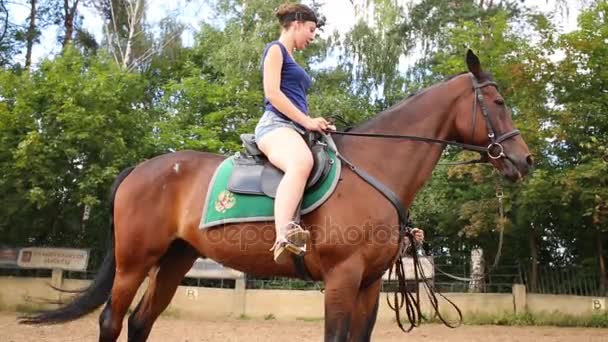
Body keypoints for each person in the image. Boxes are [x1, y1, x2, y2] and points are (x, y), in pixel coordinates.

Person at [254, 3, 334, 264]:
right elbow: (273, 94)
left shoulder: (291, 57)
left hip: (294, 127)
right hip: (274, 125)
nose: (312, 36)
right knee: (301, 162)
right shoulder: (275, 50)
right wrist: (307, 121)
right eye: (311, 30)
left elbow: (296, 102)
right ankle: (284, 234)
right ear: (297, 24)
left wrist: (315, 123)